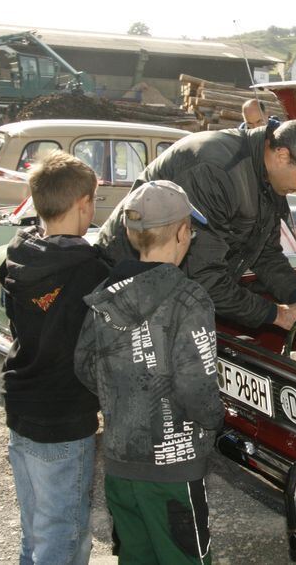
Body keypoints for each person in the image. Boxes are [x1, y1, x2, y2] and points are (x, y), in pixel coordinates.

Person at [76, 180, 222, 565]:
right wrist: (212, 421)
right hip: (175, 469)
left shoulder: (106, 293)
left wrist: (125, 403)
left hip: (122, 463)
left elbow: (85, 365)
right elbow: (196, 385)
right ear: (182, 231)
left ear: (129, 232)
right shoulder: (190, 299)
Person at [97, 118, 296, 336]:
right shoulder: (216, 170)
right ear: (282, 155)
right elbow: (203, 275)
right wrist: (279, 315)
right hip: (129, 291)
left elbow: (266, 254)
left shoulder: (271, 178)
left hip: (171, 291)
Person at [0, 151, 110, 565]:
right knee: (64, 533)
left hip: (20, 402)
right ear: (84, 203)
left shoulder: (18, 253)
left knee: (36, 527)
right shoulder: (89, 270)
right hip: (63, 416)